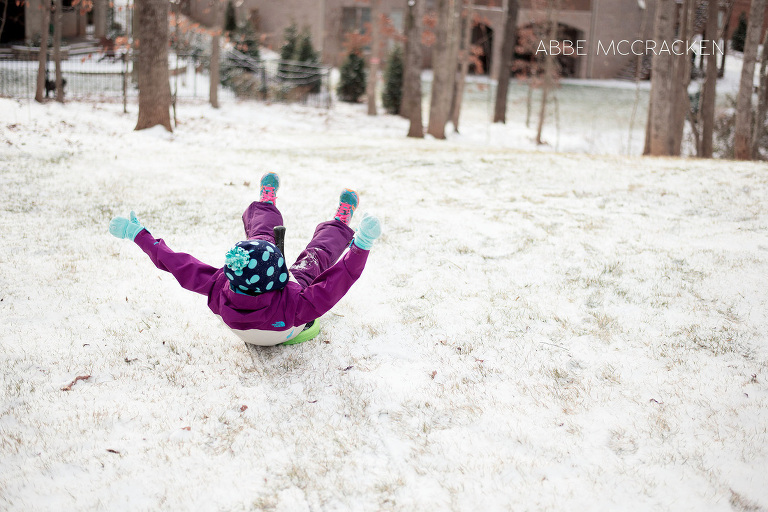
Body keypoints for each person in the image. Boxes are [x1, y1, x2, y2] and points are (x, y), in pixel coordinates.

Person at [108, 173, 381, 346]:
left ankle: (266, 204)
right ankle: (340, 222)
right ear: (280, 280)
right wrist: (362, 245)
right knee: (315, 258)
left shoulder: (220, 287)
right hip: (286, 330)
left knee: (262, 239)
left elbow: (175, 263)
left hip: (243, 326)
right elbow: (338, 281)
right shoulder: (295, 304)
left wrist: (137, 233)